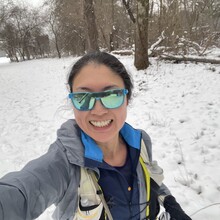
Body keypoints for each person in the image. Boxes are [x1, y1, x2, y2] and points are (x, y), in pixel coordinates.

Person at [0, 51, 191, 220]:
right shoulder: (64, 164)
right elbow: (21, 193)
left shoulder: (140, 142)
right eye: (83, 98)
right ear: (73, 102)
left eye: (112, 95)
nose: (99, 111)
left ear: (127, 98)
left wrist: (169, 201)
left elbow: (150, 178)